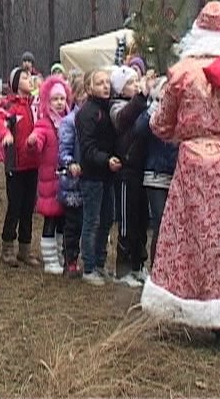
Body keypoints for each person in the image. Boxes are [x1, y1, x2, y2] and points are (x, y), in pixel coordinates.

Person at [140, 1, 220, 350]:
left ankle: (183, 307)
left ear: (195, 33)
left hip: (194, 164)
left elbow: (161, 124)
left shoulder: (182, 73)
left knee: (189, 237)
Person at [75, 69, 122, 286]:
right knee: (92, 221)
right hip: (93, 176)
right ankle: (89, 266)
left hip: (108, 176)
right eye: (100, 82)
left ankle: (101, 263)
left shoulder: (110, 109)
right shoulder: (87, 113)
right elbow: (88, 149)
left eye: (107, 82)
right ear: (89, 87)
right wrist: (106, 160)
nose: (105, 86)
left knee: (107, 219)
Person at [109, 65, 151, 288]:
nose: (136, 86)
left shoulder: (142, 106)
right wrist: (141, 95)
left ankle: (138, 264)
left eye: (137, 82)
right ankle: (123, 267)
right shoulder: (116, 107)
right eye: (131, 84)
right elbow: (124, 119)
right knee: (126, 221)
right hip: (125, 171)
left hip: (141, 170)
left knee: (141, 220)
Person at [0, 67, 40, 267]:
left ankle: (25, 248)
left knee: (29, 207)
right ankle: (7, 247)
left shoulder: (35, 105)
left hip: (33, 163)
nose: (29, 79)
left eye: (30, 76)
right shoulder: (11, 106)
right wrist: (5, 134)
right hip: (16, 164)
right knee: (15, 206)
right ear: (15, 83)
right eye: (24, 77)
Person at [27, 75, 72, 275]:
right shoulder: (44, 124)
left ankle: (62, 255)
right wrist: (33, 142)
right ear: (48, 101)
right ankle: (50, 259)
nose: (59, 103)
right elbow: (38, 143)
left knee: (64, 219)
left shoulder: (69, 120)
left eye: (62, 99)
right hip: (50, 179)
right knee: (50, 220)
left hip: (66, 179)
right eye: (55, 99)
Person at [133, 77, 178, 267]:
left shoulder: (182, 114)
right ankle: (156, 267)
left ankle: (171, 267)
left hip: (177, 176)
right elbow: (140, 129)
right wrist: (155, 104)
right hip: (156, 175)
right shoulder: (154, 112)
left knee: (174, 224)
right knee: (160, 222)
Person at [59, 75, 87, 277]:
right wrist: (71, 164)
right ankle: (70, 259)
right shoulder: (70, 122)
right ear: (76, 96)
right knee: (73, 224)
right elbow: (64, 150)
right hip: (73, 182)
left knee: (88, 221)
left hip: (90, 180)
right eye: (83, 92)